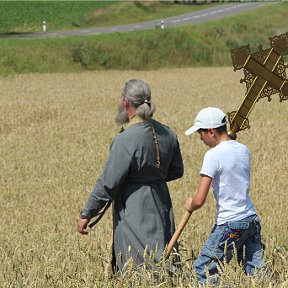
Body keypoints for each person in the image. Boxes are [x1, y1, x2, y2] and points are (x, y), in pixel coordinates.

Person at [77, 79, 184, 272]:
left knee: (137, 263)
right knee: (163, 256)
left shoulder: (125, 139)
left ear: (125, 102)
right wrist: (152, 176)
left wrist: (87, 213)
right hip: (162, 203)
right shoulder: (168, 133)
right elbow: (177, 171)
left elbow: (108, 183)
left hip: (134, 206)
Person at [184, 107, 264, 285]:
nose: (201, 139)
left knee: (204, 269)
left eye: (201, 134)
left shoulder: (212, 155)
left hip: (230, 223)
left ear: (211, 131)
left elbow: (199, 200)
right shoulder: (243, 150)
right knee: (255, 272)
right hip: (250, 219)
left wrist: (190, 204)